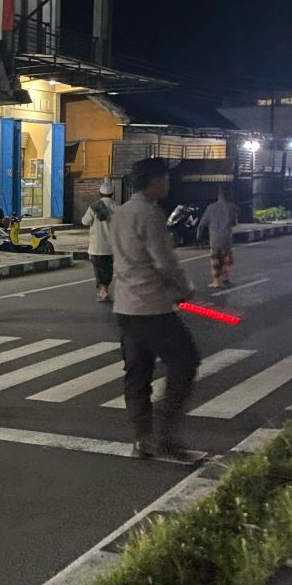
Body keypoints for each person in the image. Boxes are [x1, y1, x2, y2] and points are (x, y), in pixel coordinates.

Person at [109, 157, 202, 460]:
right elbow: (164, 261)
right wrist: (184, 289)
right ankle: (165, 433)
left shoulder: (120, 213)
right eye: (165, 179)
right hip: (152, 306)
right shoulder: (150, 214)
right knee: (185, 361)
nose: (168, 184)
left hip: (125, 306)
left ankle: (142, 438)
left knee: (137, 372)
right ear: (154, 182)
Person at [197, 186, 240, 289]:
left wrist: (198, 234)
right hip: (226, 238)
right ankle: (225, 278)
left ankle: (216, 282)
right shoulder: (230, 207)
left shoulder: (211, 207)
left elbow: (203, 223)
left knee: (215, 260)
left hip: (215, 238)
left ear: (218, 195)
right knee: (226, 259)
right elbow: (234, 222)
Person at [81, 182, 116, 302]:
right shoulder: (117, 208)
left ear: (100, 193)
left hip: (96, 246)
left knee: (98, 269)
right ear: (112, 194)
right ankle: (105, 290)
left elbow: (85, 222)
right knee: (108, 269)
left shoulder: (94, 207)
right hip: (111, 247)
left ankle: (103, 291)